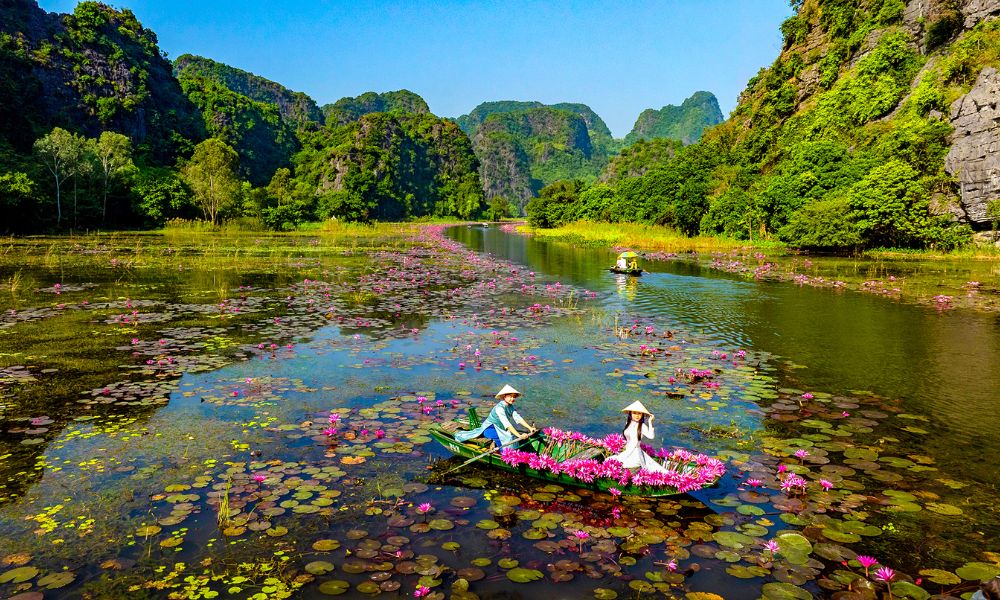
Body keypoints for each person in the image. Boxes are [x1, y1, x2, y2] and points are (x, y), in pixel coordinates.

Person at [456, 384, 537, 449]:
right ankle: (503, 454)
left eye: (514, 396)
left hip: (500, 428)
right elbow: (507, 424)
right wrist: (519, 436)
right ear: (504, 396)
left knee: (512, 436)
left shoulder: (510, 407)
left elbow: (518, 418)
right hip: (489, 428)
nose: (512, 398)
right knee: (508, 438)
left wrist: (529, 428)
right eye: (510, 396)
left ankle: (510, 450)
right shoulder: (499, 408)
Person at [606, 400, 671, 473]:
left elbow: (651, 436)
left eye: (639, 413)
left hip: (636, 454)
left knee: (623, 465)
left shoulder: (642, 426)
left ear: (642, 415)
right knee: (610, 460)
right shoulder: (628, 423)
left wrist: (650, 422)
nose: (637, 415)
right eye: (634, 413)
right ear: (630, 413)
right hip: (627, 451)